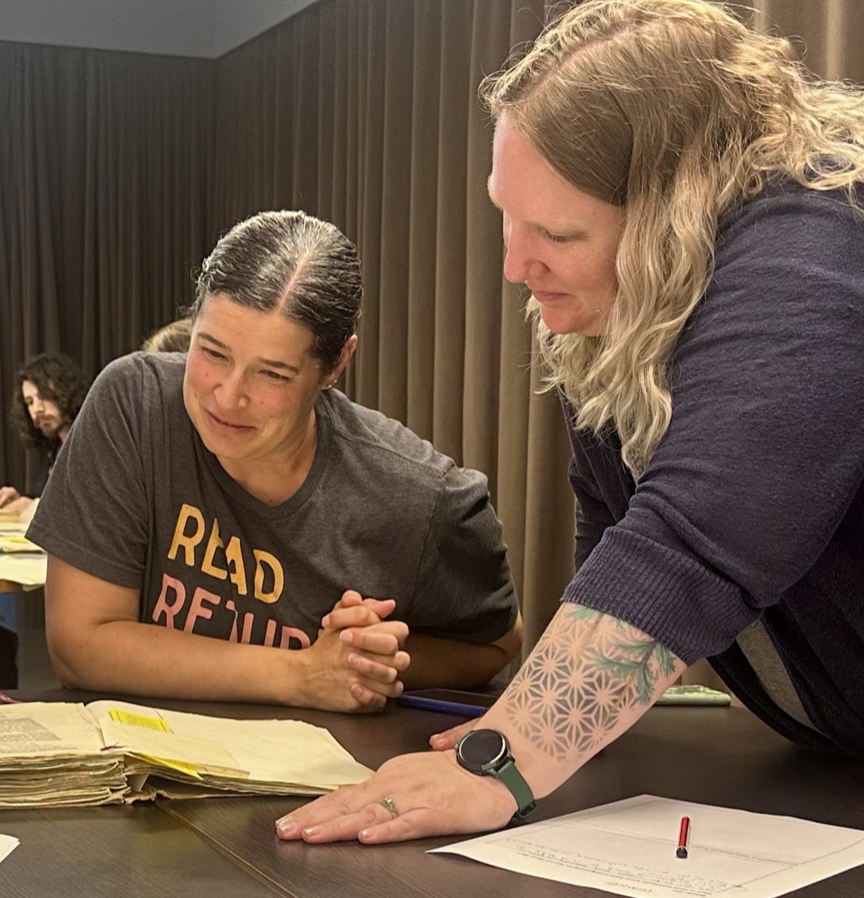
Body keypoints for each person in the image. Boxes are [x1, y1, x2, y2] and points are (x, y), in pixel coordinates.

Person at [279, 0, 864, 844]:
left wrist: (498, 765)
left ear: (671, 203)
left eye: (558, 234)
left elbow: (699, 538)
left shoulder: (841, 228)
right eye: (507, 217)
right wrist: (530, 732)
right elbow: (615, 524)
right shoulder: (642, 293)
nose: (517, 265)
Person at [28, 210, 524, 713]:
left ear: (335, 365)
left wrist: (369, 660)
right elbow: (79, 645)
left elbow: (498, 645)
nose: (227, 396)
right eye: (213, 353)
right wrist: (302, 672)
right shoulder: (133, 406)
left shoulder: (419, 495)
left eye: (273, 374)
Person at [0, 351, 90, 515]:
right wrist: (19, 501)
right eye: (29, 402)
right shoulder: (54, 451)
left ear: (66, 391)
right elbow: (46, 501)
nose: (37, 409)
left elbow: (86, 512)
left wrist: (33, 507)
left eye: (44, 396)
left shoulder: (92, 445)